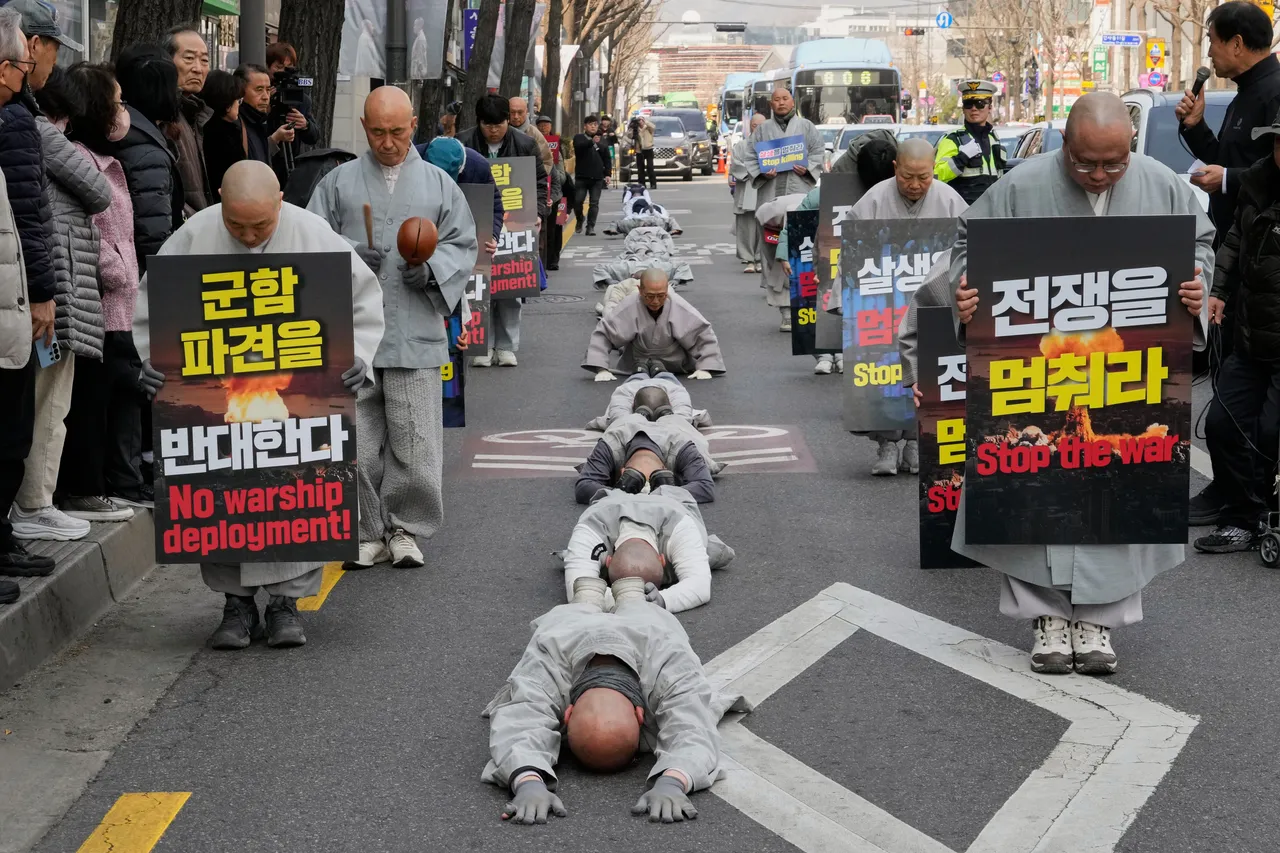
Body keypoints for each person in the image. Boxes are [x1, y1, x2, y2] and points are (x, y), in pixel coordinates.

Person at [948, 93, 1212, 676]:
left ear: (1131, 150)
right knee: (1036, 478)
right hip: (1043, 362)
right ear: (1064, 144)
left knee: (1121, 484)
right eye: (1085, 162)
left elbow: (1198, 246)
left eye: (1113, 164)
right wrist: (964, 292)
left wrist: (1196, 288)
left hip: (1125, 364)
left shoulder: (1162, 183)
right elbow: (967, 247)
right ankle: (1046, 618)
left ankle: (1098, 622)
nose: (1098, 176)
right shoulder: (1021, 185)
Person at [132, 160, 385, 649]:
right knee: (221, 491)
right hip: (219, 399)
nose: (248, 237)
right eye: (237, 225)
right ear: (220, 203)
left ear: (280, 206)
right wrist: (152, 362)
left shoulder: (314, 235)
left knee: (295, 489)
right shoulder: (193, 235)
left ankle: (285, 604)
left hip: (290, 398)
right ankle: (236, 606)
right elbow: (153, 307)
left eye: (261, 226)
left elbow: (362, 301)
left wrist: (357, 357)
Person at [308, 86, 477, 570]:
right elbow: (310, 236)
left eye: (398, 132)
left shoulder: (441, 186)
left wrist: (431, 269)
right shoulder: (338, 182)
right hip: (351, 334)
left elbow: (462, 244)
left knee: (417, 438)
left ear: (414, 125)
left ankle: (406, 528)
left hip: (414, 327)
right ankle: (364, 530)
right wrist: (346, 254)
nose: (388, 142)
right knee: (354, 438)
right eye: (378, 132)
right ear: (364, 128)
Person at [482, 593, 742, 825]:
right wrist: (674, 780)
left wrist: (527, 781)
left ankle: (601, 595)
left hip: (619, 626)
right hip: (581, 627)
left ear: (568, 712)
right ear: (641, 716)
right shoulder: (547, 661)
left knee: (612, 602)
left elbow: (520, 721)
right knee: (625, 601)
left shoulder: (670, 662)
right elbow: (692, 727)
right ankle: (614, 595)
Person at [1175, 0, 1280, 526]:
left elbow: (1259, 178)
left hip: (1266, 269)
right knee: (1230, 385)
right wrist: (1196, 129)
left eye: (1213, 40)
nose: (1209, 52)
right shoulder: (1241, 96)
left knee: (1254, 400)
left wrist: (1232, 181)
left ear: (1237, 42)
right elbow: (1230, 165)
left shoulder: (1275, 92)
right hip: (1235, 255)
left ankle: (1254, 500)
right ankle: (1232, 490)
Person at [9, 67, 114, 541]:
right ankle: (35, 504)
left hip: (39, 283)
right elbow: (99, 192)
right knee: (51, 401)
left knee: (43, 399)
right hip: (54, 286)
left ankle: (33, 502)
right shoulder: (43, 133)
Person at [843, 137, 968, 476]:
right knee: (881, 370)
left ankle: (916, 441)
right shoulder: (873, 200)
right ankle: (885, 444)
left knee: (925, 369)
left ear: (934, 171)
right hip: (883, 302)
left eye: (924, 177)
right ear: (895, 168)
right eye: (907, 177)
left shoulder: (950, 200)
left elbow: (967, 251)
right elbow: (850, 251)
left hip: (931, 302)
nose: (915, 185)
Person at [57, 62, 143, 524]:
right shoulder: (79, 160)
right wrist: (117, 270)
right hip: (99, 302)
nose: (122, 110)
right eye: (116, 100)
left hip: (119, 301)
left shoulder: (106, 160)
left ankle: (105, 485)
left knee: (110, 398)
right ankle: (84, 490)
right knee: (90, 402)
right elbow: (86, 229)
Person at [1192, 112, 1280, 555]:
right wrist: (1219, 291)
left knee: (1270, 433)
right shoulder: (1258, 180)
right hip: (1250, 336)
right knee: (1224, 425)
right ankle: (1242, 518)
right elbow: (1233, 243)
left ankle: (1270, 516)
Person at [108, 46, 184, 509]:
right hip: (140, 278)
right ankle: (132, 474)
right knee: (140, 377)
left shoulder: (130, 132)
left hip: (126, 271)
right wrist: (166, 281)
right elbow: (154, 226)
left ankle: (131, 470)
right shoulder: (144, 142)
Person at [0, 6, 53, 583]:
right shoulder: (15, 122)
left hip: (12, 294)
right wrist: (42, 293)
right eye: (18, 65)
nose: (25, 74)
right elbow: (29, 219)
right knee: (12, 427)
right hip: (11, 299)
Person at [457, 94, 548, 368]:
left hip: (514, 223)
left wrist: (539, 212)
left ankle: (507, 345)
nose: (494, 130)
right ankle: (480, 345)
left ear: (509, 121)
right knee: (477, 285)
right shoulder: (462, 144)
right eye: (488, 125)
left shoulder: (525, 144)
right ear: (479, 123)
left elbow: (540, 181)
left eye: (499, 124)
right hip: (475, 223)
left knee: (511, 285)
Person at [562, 485, 734, 614]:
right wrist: (636, 600)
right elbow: (577, 591)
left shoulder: (681, 528)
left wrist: (662, 600)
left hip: (673, 503)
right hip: (609, 504)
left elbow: (701, 587)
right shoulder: (590, 530)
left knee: (709, 550)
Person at [743, 87, 825, 330]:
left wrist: (808, 167)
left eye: (785, 98)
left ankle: (806, 303)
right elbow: (750, 156)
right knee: (772, 252)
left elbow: (819, 152)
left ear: (793, 101)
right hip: (770, 201)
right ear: (771, 103)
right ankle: (784, 309)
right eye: (776, 99)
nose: (781, 103)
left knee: (803, 250)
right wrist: (762, 171)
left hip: (801, 197)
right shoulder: (763, 131)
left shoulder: (807, 127)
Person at [574, 390, 718, 504]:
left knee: (679, 418)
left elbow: (705, 487)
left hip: (674, 427)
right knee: (620, 417)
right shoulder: (612, 444)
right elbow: (584, 487)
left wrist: (622, 495)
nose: (646, 491)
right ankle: (642, 412)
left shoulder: (682, 445)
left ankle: (661, 412)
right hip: (627, 426)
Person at [583, 269, 725, 380]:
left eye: (661, 295)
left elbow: (701, 333)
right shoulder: (630, 305)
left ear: (667, 290)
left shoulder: (677, 304)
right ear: (640, 290)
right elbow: (605, 334)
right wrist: (601, 369)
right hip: (637, 364)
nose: (656, 301)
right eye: (650, 296)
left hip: (675, 365)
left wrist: (706, 367)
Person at [162, 25, 213, 213]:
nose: (198, 69)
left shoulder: (194, 113)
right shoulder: (162, 115)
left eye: (205, 60)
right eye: (189, 58)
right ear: (166, 61)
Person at [419, 135, 501, 248]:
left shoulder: (478, 166)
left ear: (461, 166)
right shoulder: (411, 158)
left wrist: (492, 235)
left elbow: (494, 205)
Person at [934, 80, 1007, 205]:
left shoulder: (993, 139)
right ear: (963, 108)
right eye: (968, 104)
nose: (974, 109)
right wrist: (961, 158)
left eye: (980, 104)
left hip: (991, 213)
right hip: (963, 213)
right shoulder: (952, 139)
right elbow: (936, 177)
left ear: (990, 107)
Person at [586, 368, 711, 431]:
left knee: (666, 375)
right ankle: (640, 370)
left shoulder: (677, 392)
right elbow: (620, 421)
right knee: (637, 376)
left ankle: (660, 369)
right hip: (633, 385)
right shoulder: (624, 392)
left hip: (667, 382)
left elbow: (682, 420)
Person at [234, 63, 294, 169]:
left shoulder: (259, 122)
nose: (266, 97)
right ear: (240, 91)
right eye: (259, 90)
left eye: (268, 90)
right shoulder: (235, 126)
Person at [198, 69, 246, 196]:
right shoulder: (225, 135)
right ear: (227, 103)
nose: (239, 105)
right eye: (238, 100)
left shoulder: (201, 128)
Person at [730, 114, 765, 272]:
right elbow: (736, 165)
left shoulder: (771, 146)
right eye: (754, 125)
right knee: (746, 227)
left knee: (764, 225)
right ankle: (749, 259)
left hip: (765, 188)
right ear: (750, 126)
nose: (757, 128)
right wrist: (756, 171)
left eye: (761, 125)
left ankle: (760, 258)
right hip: (747, 188)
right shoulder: (741, 146)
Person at [573, 115, 611, 236]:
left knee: (594, 203)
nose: (593, 126)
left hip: (597, 178)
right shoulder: (579, 138)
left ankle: (591, 227)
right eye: (590, 124)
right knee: (578, 201)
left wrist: (608, 174)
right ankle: (580, 218)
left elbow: (607, 158)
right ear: (585, 126)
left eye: (595, 124)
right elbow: (579, 148)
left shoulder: (602, 140)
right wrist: (591, 141)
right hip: (581, 177)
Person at [537, 114, 566, 270]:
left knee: (555, 227)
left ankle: (553, 259)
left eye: (546, 125)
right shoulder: (531, 144)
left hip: (554, 192)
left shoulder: (557, 145)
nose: (543, 127)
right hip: (540, 192)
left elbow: (562, 177)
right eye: (540, 125)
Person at [508, 96, 553, 176]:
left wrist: (534, 179)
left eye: (520, 112)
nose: (516, 116)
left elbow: (546, 161)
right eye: (512, 112)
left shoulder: (534, 134)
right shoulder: (499, 131)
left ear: (526, 111)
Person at [626, 113, 656, 189]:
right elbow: (629, 135)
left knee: (650, 167)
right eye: (639, 120)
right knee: (640, 168)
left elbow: (653, 127)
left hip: (648, 149)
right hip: (639, 150)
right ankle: (642, 184)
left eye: (641, 120)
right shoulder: (636, 129)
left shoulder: (648, 128)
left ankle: (653, 183)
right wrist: (632, 126)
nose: (640, 122)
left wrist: (645, 122)